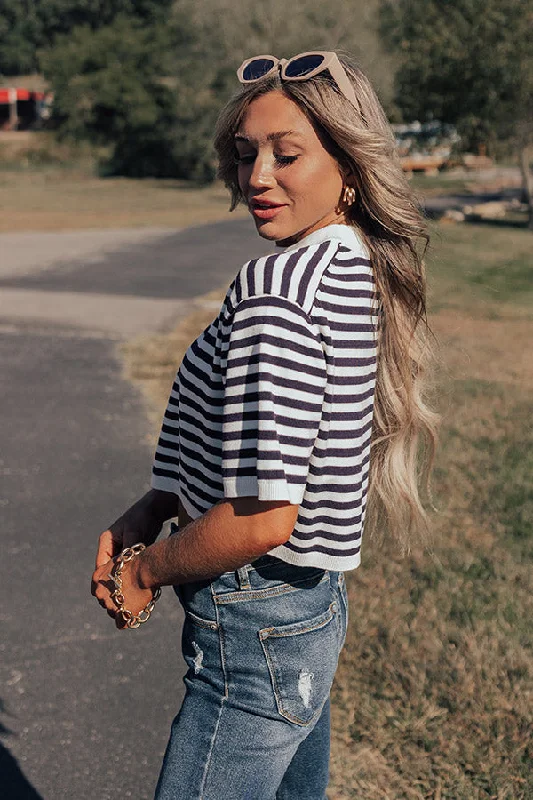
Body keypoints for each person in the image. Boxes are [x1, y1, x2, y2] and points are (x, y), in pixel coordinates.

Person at [91, 51, 438, 799]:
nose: (256, 178)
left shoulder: (278, 289)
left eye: (287, 155)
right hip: (308, 606)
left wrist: (144, 571)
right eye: (245, 154)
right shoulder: (348, 264)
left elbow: (261, 518)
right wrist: (155, 503)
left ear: (348, 165)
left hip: (253, 616)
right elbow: (268, 448)